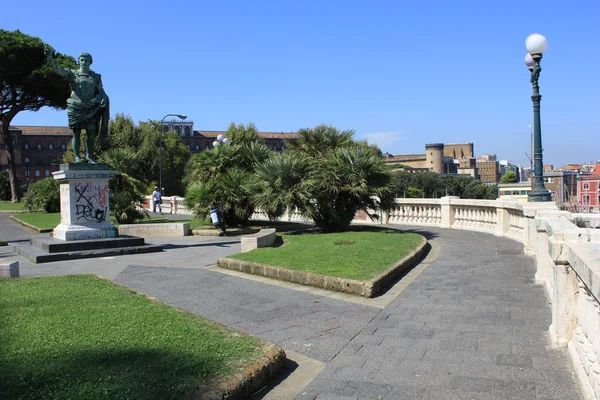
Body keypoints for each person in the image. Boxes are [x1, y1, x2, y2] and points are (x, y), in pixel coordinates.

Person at [45, 46, 110, 163]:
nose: (84, 62)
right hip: (76, 105)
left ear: (90, 62)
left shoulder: (96, 77)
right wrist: (50, 58)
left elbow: (101, 91)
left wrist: (103, 98)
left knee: (91, 132)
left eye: (86, 60)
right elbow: (58, 69)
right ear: (78, 61)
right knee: (76, 133)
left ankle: (89, 155)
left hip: (90, 107)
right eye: (82, 60)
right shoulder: (72, 74)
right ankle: (77, 157)